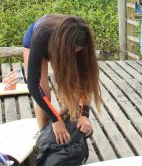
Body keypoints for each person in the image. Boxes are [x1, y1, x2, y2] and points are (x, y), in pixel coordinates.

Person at [21, 14, 101, 144]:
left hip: (63, 44)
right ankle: (44, 136)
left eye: (78, 51)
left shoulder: (82, 35)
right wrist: (55, 120)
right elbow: (33, 86)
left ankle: (66, 123)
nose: (76, 54)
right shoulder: (42, 35)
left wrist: (84, 114)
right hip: (36, 41)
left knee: (73, 89)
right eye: (74, 51)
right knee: (43, 90)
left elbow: (85, 80)